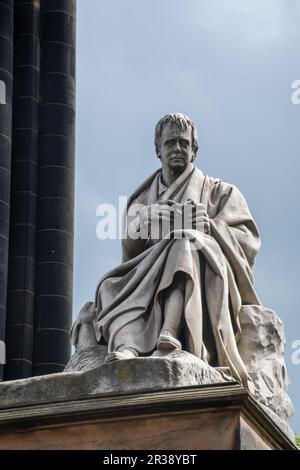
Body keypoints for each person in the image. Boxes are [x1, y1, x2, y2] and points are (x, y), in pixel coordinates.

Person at [71, 113, 262, 389]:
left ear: (194, 150)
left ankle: (170, 332)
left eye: (184, 144)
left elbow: (248, 242)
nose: (177, 149)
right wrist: (147, 222)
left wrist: (210, 227)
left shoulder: (220, 193)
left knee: (185, 242)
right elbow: (130, 254)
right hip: (147, 269)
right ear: (157, 148)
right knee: (109, 286)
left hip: (194, 262)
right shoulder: (143, 197)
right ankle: (127, 346)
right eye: (170, 143)